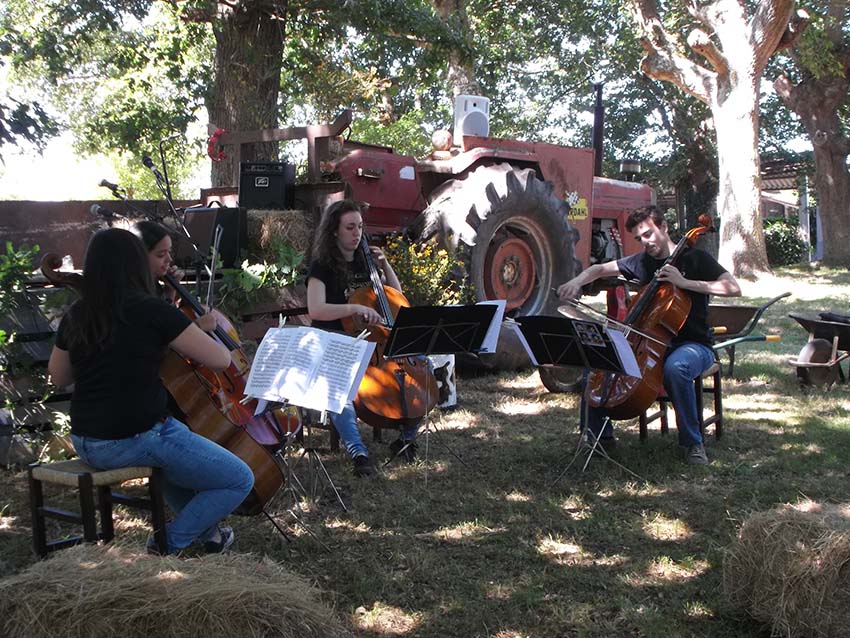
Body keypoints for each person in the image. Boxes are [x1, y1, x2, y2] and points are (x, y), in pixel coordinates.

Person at [48, 228, 254, 554]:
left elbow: (59, 376)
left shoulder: (79, 313)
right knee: (238, 479)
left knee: (171, 454)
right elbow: (219, 358)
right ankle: (167, 543)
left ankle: (211, 536)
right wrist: (193, 325)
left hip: (87, 440)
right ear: (136, 265)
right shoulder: (151, 310)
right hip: (136, 437)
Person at [557, 206, 741, 465]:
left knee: (676, 368)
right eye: (639, 238)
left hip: (693, 345)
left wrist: (685, 283)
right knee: (597, 362)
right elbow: (598, 270)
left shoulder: (695, 258)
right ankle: (598, 439)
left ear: (663, 227)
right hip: (648, 344)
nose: (645, 242)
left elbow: (733, 288)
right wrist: (576, 282)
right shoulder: (642, 262)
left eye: (648, 234)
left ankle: (692, 443)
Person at [306, 199, 420, 476]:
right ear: (334, 230)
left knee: (421, 365)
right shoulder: (321, 266)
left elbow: (396, 298)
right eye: (349, 227)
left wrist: (386, 266)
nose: (357, 233)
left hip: (372, 340)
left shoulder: (364, 260)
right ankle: (358, 452)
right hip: (335, 338)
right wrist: (353, 308)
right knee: (339, 390)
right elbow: (316, 308)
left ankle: (406, 439)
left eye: (359, 227)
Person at [132, 220, 217, 333]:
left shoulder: (152, 284)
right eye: (161, 254)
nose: (169, 259)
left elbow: (165, 321)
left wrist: (170, 290)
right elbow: (156, 339)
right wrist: (196, 327)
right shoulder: (133, 295)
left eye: (169, 252)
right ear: (139, 256)